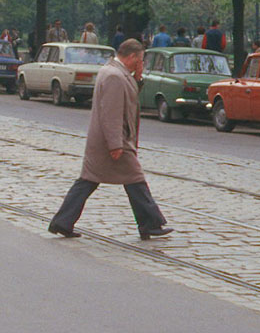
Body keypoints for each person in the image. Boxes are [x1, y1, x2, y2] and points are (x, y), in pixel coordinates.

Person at [48, 39, 172, 240]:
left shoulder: (114, 71)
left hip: (105, 140)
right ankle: (150, 223)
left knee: (88, 181)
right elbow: (112, 113)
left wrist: (138, 79)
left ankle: (62, 221)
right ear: (131, 57)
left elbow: (126, 96)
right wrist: (115, 144)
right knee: (135, 179)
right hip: (113, 141)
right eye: (140, 60)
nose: (141, 64)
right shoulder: (114, 75)